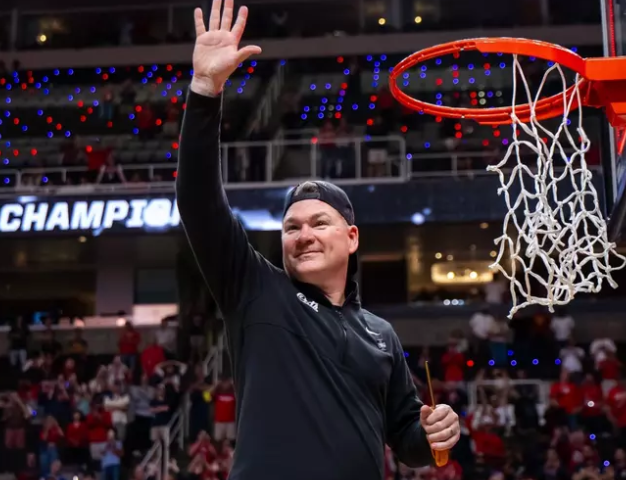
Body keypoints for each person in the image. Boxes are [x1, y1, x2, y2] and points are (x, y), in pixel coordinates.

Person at [175, 1, 460, 479]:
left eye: (318, 223)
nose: (302, 235)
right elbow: (198, 202)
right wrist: (205, 90)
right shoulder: (255, 291)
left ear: (351, 238)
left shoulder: (381, 334)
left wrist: (433, 432)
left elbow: (406, 439)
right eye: (291, 227)